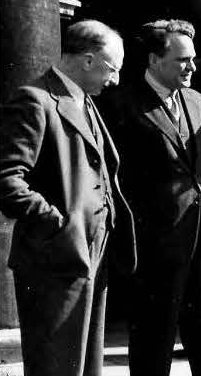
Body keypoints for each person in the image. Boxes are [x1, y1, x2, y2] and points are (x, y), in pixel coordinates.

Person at [0, 20, 135, 376]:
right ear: (87, 60)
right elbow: (7, 181)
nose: (116, 80)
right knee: (55, 366)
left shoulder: (85, 101)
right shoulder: (35, 100)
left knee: (86, 365)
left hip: (92, 256)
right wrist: (59, 225)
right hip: (55, 260)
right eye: (112, 69)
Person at [105, 19, 201, 376]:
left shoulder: (197, 100)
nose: (192, 67)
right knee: (153, 342)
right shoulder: (122, 104)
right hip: (155, 244)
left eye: (193, 59)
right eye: (182, 60)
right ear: (153, 60)